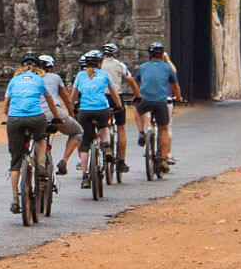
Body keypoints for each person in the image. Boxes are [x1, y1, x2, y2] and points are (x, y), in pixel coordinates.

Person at [4, 52, 63, 214]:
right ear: (38, 67)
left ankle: (15, 199)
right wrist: (57, 118)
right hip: (36, 118)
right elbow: (50, 103)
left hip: (15, 119)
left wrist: (10, 116)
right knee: (40, 138)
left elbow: (5, 107)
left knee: (15, 162)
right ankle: (42, 164)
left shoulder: (13, 80)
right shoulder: (40, 80)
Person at [70, 49, 121, 189]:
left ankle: (85, 176)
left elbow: (73, 95)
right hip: (101, 109)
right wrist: (119, 106)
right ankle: (107, 147)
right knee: (104, 126)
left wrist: (71, 108)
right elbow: (114, 94)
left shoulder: (80, 75)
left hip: (85, 111)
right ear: (100, 63)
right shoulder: (104, 75)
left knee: (85, 144)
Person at [133, 42, 182, 173]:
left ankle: (141, 132)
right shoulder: (167, 68)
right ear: (162, 55)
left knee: (137, 111)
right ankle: (163, 159)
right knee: (164, 129)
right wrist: (179, 97)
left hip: (145, 100)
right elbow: (175, 86)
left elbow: (136, 82)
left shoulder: (143, 67)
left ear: (149, 55)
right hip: (161, 102)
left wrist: (138, 94)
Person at [38, 54, 84, 175]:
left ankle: (31, 159)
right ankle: (64, 160)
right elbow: (67, 100)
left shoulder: (32, 78)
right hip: (55, 113)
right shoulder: (56, 78)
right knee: (77, 131)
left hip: (34, 113)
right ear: (51, 67)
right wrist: (71, 115)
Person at [100, 42, 141, 174]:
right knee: (121, 127)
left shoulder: (98, 65)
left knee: (102, 126)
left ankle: (102, 148)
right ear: (116, 54)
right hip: (115, 97)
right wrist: (138, 95)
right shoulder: (120, 65)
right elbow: (131, 80)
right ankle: (121, 161)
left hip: (100, 98)